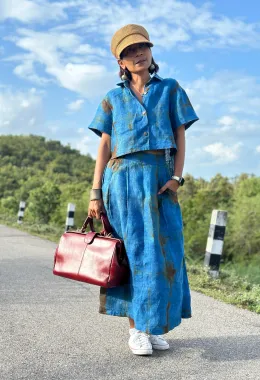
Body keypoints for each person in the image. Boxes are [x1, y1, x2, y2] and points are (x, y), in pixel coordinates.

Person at [87, 24, 199, 356]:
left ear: (151, 51)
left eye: (142, 47)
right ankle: (136, 330)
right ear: (120, 62)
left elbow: (180, 135)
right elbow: (105, 148)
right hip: (121, 181)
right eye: (128, 52)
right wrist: (95, 192)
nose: (137, 54)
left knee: (164, 252)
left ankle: (152, 325)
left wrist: (177, 178)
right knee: (133, 254)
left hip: (159, 178)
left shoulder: (171, 89)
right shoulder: (112, 98)